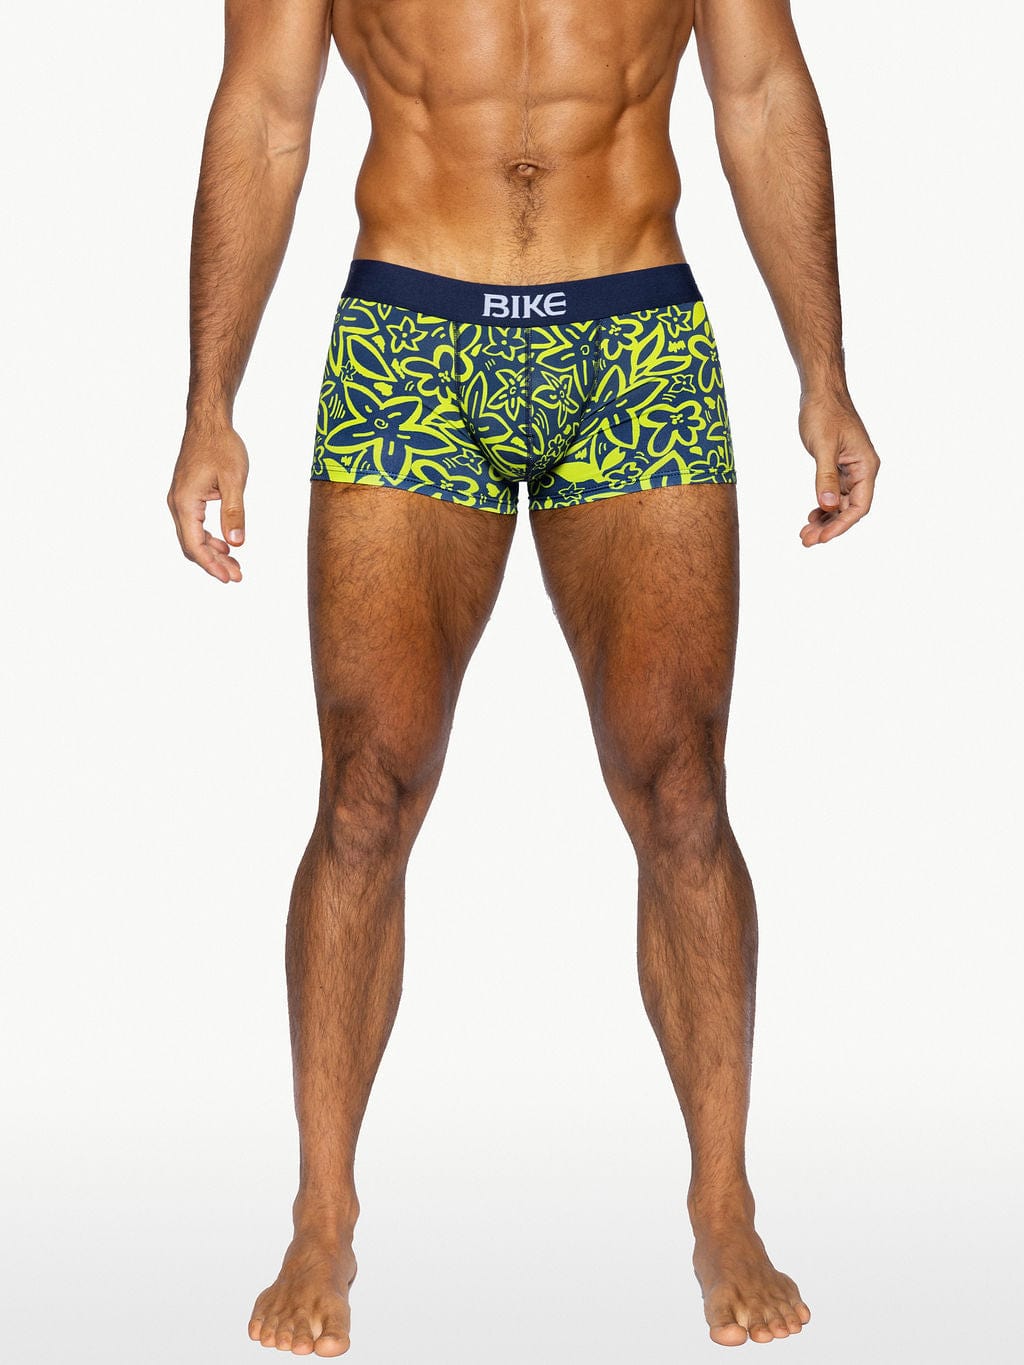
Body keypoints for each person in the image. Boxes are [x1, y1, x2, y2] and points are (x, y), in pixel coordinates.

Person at [167, 0, 879, 1354]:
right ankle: (322, 1218)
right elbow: (264, 112)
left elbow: (760, 92)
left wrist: (825, 372)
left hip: (636, 335)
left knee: (682, 789)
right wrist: (210, 403)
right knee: (365, 790)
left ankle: (724, 1206)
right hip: (410, 338)